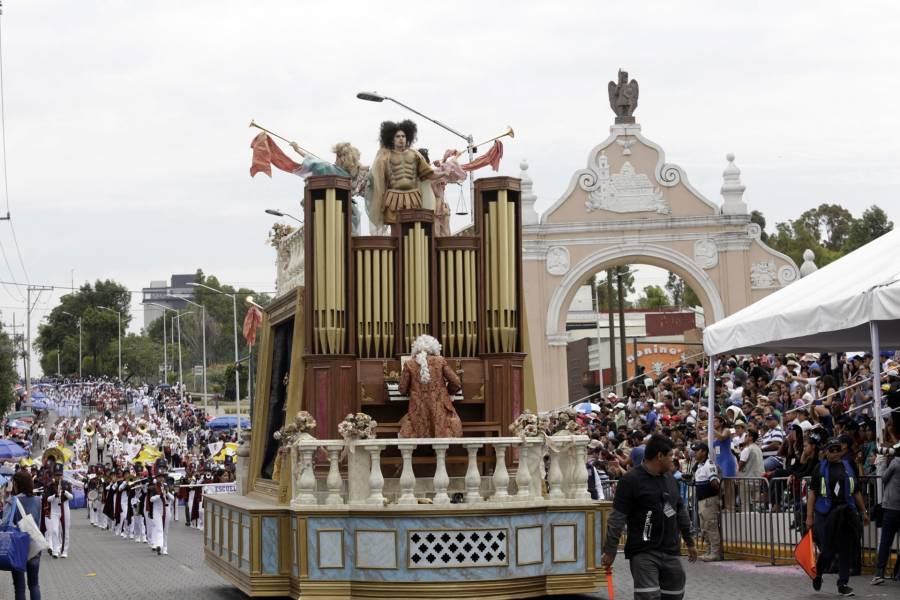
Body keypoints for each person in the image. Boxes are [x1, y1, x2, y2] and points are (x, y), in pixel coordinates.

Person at [602, 434, 698, 600]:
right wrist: (610, 551)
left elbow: (680, 511)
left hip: (671, 551)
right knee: (648, 596)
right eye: (670, 456)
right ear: (659, 456)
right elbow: (617, 519)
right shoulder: (631, 480)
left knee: (675, 595)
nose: (673, 460)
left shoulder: (670, 479)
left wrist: (689, 541)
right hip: (643, 552)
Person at [806, 437, 869, 596]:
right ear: (826, 452)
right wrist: (809, 516)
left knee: (845, 548)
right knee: (827, 550)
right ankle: (818, 573)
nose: (835, 453)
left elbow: (855, 491)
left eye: (837, 450)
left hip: (845, 512)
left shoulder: (849, 466)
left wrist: (863, 512)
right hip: (825, 513)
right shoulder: (819, 469)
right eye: (831, 450)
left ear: (841, 451)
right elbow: (812, 493)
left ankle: (843, 583)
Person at [367, 120, 435, 231]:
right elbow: (377, 178)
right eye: (398, 136)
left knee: (413, 230)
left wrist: (444, 173)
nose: (401, 138)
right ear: (392, 139)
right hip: (393, 198)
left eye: (403, 136)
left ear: (407, 137)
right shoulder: (384, 156)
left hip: (413, 198)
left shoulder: (415, 154)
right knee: (396, 231)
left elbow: (428, 174)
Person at [398, 334, 463, 438]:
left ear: (416, 348)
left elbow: (401, 389)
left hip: (418, 412)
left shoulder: (409, 363)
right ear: (435, 347)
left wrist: (410, 389)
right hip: (440, 410)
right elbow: (456, 382)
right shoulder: (440, 361)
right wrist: (449, 393)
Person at [5, 469, 42, 600]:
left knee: (19, 587)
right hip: (34, 544)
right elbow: (39, 521)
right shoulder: (38, 500)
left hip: (18, 546)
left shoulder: (12, 501)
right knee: (34, 584)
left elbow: (5, 523)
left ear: (17, 484)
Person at [872, 436, 899, 585]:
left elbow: (883, 478)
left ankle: (879, 573)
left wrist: (882, 460)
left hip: (891, 509)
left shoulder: (895, 463)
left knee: (885, 542)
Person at [691, 441, 721, 561]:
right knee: (704, 527)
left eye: (697, 451)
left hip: (709, 500)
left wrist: (715, 495)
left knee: (711, 526)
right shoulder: (699, 466)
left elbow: (715, 483)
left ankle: (715, 552)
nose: (695, 453)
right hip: (702, 501)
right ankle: (709, 551)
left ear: (704, 452)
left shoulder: (709, 464)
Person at [42, 463, 73, 558]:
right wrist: (55, 495)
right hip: (54, 509)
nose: (58, 477)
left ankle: (64, 550)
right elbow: (47, 499)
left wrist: (65, 492)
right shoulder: (50, 485)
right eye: (56, 475)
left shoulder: (66, 484)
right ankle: (56, 550)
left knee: (65, 530)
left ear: (62, 475)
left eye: (60, 475)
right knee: (54, 530)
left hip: (64, 507)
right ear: (54, 475)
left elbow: (71, 497)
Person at [147, 459, 175, 555]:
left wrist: (166, 493)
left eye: (162, 477)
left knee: (165, 530)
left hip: (166, 509)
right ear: (157, 478)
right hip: (157, 509)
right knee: (159, 528)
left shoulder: (167, 486)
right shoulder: (154, 487)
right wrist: (159, 496)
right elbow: (151, 499)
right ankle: (159, 545)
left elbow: (173, 498)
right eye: (159, 477)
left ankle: (165, 547)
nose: (161, 479)